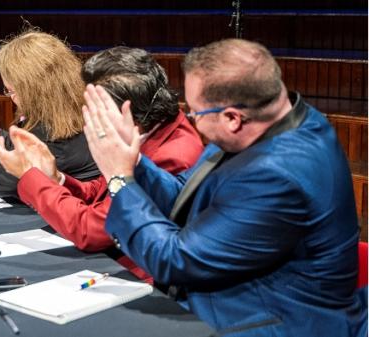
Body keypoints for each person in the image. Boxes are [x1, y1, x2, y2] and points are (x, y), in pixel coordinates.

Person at [85, 39, 366, 336]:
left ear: (233, 118)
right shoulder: (271, 119)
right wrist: (135, 160)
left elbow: (174, 260)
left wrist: (118, 178)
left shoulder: (278, 177)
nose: (191, 121)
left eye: (194, 113)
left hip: (270, 321)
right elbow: (184, 197)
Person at [0, 47, 203, 282]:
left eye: (93, 108)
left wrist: (29, 175)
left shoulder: (171, 157)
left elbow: (90, 230)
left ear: (122, 111)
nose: (87, 117)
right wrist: (55, 178)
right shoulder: (151, 130)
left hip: (137, 278)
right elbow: (102, 190)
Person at [0, 29, 98, 198]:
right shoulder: (77, 110)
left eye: (12, 90)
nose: (12, 98)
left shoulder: (52, 137)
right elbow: (26, 147)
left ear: (33, 90)